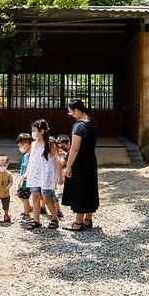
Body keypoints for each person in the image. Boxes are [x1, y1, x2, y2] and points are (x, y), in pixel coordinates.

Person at [62, 98, 99, 231]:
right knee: (90, 189)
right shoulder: (92, 123)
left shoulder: (79, 126)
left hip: (80, 163)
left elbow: (74, 148)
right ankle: (88, 219)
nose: (71, 115)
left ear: (76, 111)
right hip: (91, 161)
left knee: (80, 190)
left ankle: (78, 223)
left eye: (71, 112)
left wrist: (68, 166)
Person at [22, 119, 62, 230]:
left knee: (46, 198)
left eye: (34, 130)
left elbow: (57, 160)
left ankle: (55, 218)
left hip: (46, 175)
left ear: (42, 131)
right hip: (34, 174)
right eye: (32, 130)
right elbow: (31, 161)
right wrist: (26, 173)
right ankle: (36, 221)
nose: (33, 133)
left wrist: (59, 175)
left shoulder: (50, 144)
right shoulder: (34, 144)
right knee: (35, 197)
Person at [15, 133, 32, 221]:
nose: (20, 149)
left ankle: (26, 214)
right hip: (31, 180)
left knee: (24, 197)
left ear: (25, 145)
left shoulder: (26, 156)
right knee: (22, 195)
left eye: (20, 146)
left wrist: (21, 181)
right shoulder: (32, 153)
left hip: (25, 181)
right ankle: (29, 208)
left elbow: (25, 168)